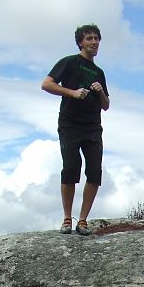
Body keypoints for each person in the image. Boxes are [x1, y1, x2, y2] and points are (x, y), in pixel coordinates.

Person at [42, 24, 110, 235]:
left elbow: (106, 105)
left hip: (93, 127)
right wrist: (72, 93)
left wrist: (100, 92)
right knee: (71, 168)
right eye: (89, 38)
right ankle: (66, 219)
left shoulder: (99, 72)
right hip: (70, 124)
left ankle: (82, 221)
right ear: (80, 42)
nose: (94, 42)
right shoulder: (69, 62)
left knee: (94, 171)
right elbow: (46, 84)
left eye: (96, 38)